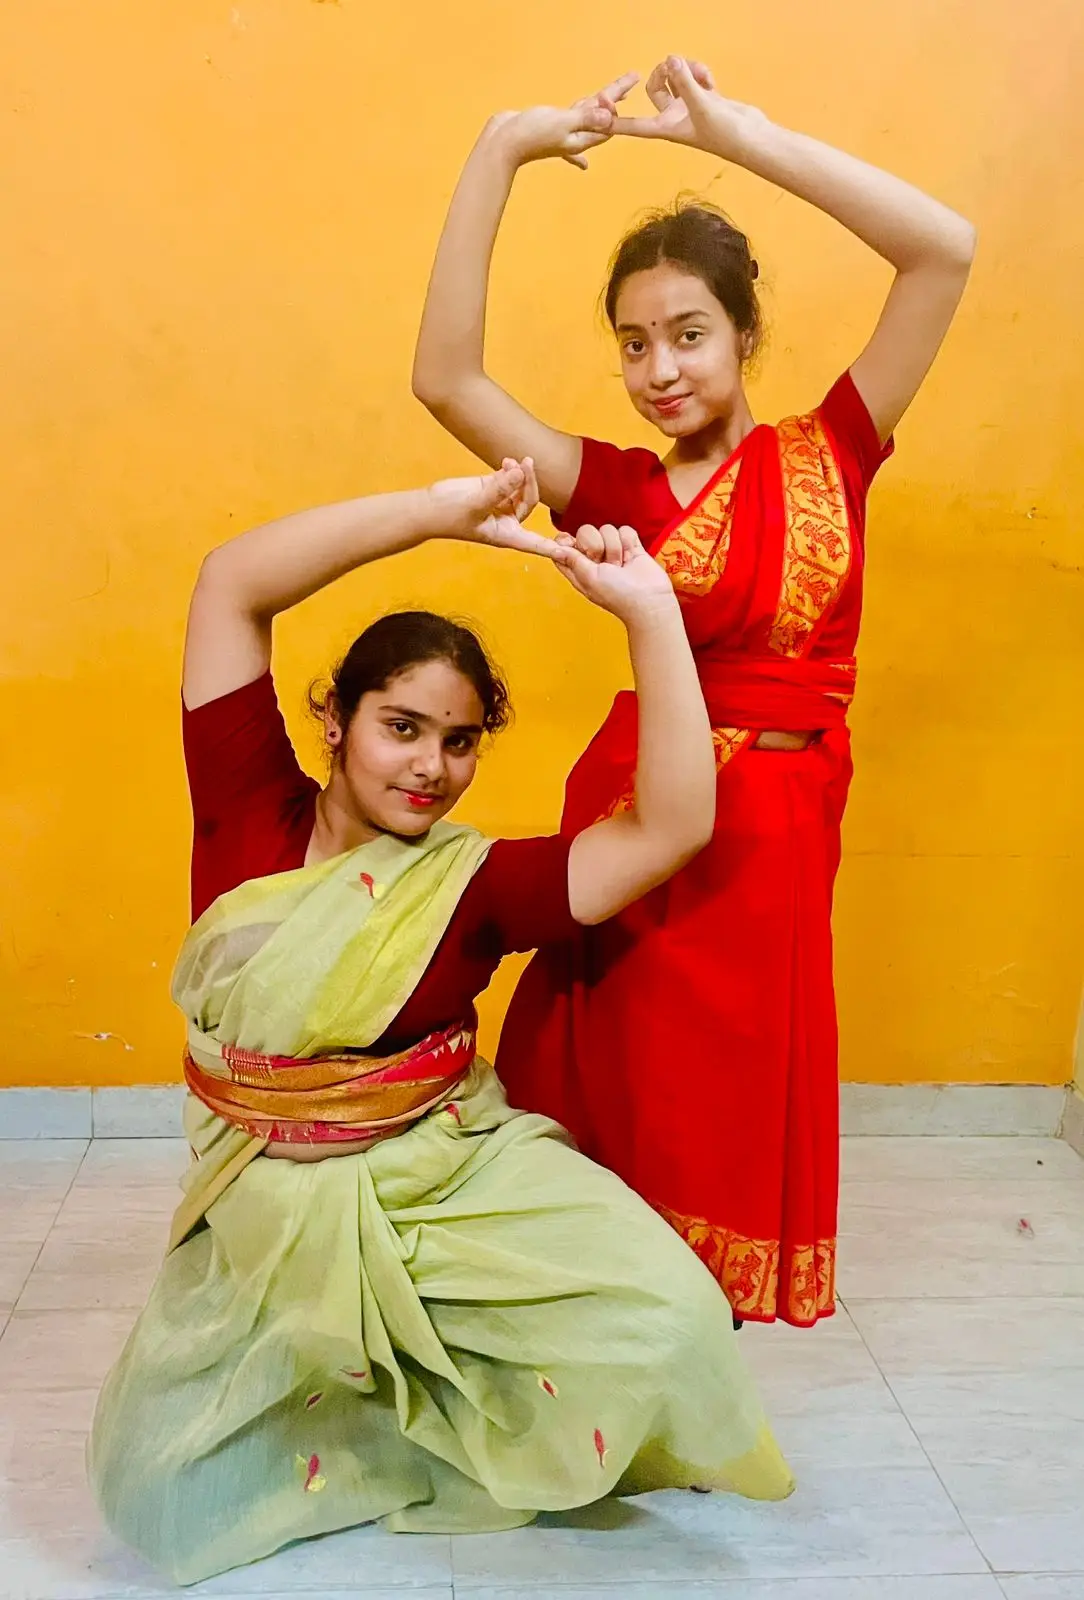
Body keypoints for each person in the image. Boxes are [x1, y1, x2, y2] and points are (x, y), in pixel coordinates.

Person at [87, 455, 794, 1585]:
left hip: (439, 1177)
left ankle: (439, 1401)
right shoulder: (240, 804)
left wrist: (651, 613)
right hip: (266, 1205)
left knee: (671, 1322)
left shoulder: (472, 885)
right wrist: (439, 517)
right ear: (336, 716)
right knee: (153, 1487)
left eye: (458, 741)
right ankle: (380, 1404)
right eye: (401, 727)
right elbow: (230, 584)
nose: (429, 767)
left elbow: (669, 827)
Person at [413, 57, 975, 1328]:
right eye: (630, 343)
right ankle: (607, 1348)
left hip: (777, 841)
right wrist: (498, 153)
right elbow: (445, 381)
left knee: (727, 1114)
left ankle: (683, 1363)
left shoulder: (831, 447)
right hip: (649, 836)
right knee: (630, 1099)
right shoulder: (610, 487)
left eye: (686, 333)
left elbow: (944, 250)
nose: (657, 368)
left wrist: (741, 136)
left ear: (740, 333)